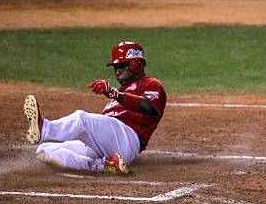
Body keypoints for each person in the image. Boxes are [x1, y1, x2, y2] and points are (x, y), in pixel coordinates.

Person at [23, 41, 166, 174]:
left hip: (128, 139)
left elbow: (148, 107)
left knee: (82, 118)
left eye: (122, 66)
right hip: (107, 144)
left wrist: (114, 93)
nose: (117, 72)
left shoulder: (150, 84)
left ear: (136, 64)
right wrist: (116, 94)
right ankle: (103, 166)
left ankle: (45, 129)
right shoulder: (121, 92)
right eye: (116, 67)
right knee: (44, 150)